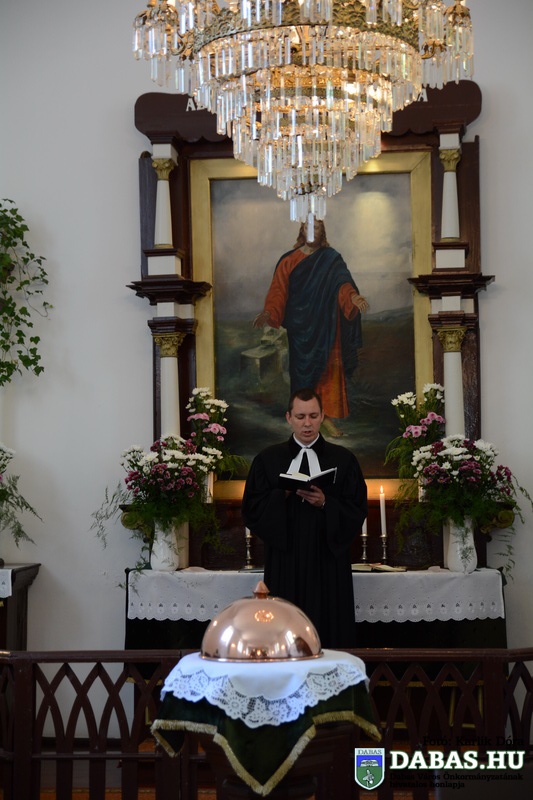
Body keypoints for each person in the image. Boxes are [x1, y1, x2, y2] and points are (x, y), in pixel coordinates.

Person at [241, 387, 367, 648]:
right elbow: (252, 509)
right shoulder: (267, 459)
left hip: (328, 563)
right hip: (285, 560)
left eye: (313, 416)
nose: (307, 423)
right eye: (300, 417)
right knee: (284, 632)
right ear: (288, 417)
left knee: (329, 632)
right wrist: (282, 494)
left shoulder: (344, 460)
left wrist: (326, 503)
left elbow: (357, 508)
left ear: (322, 416)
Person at [253, 220, 369, 437]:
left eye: (316, 227)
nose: (312, 231)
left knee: (327, 371)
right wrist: (269, 312)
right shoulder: (289, 260)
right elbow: (278, 291)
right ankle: (302, 418)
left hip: (326, 326)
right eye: (308, 227)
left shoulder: (331, 258)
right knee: (302, 376)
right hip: (300, 329)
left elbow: (342, 284)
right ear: (302, 231)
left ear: (322, 232)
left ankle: (327, 418)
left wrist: (353, 298)